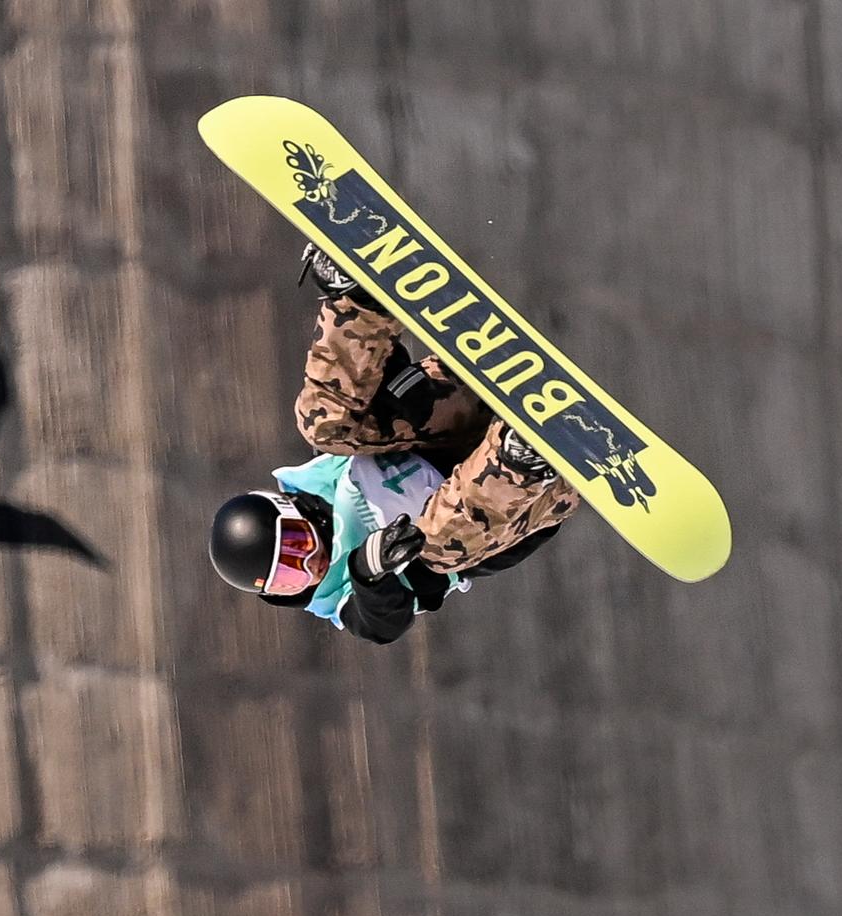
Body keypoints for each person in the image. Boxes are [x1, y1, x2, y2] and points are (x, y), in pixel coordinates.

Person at [207, 245, 583, 644]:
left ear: (293, 510)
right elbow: (382, 623)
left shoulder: (330, 476)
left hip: (460, 405)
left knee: (322, 426)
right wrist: (368, 571)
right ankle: (522, 458)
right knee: (436, 548)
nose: (311, 565)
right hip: (528, 494)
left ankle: (357, 294)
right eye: (290, 577)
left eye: (297, 544)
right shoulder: (341, 599)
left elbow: (383, 377)